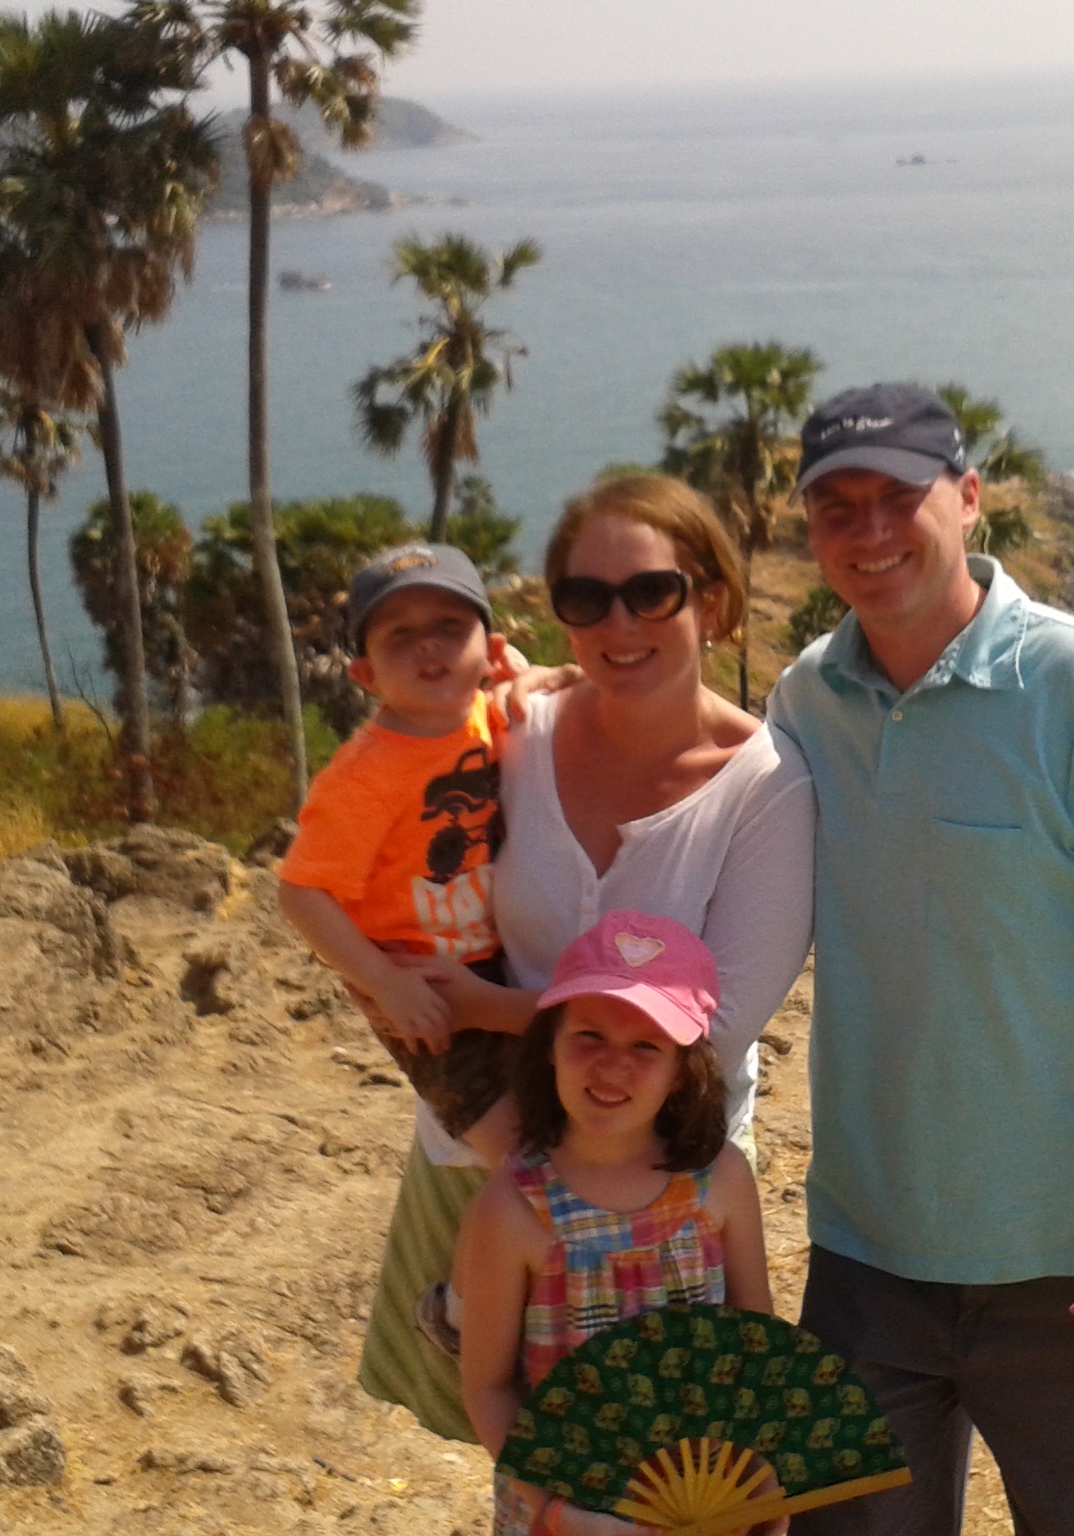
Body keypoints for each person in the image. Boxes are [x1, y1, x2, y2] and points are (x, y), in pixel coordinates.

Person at [766, 384, 1074, 1535]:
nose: (869, 532)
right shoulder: (806, 701)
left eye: (898, 498)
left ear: (968, 498)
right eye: (837, 509)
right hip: (869, 1260)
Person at [356, 474, 816, 1444]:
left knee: (667, 1457)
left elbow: (713, 1028)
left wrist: (486, 1010)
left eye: (651, 592)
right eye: (586, 597)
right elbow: (391, 858)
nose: (620, 623)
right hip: (486, 1150)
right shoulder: (509, 733)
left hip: (663, 1177)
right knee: (523, 1444)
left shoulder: (764, 788)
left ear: (712, 601)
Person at [457, 911, 775, 1536]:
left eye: (646, 1046)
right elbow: (488, 1390)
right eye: (590, 1036)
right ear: (550, 1044)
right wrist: (557, 1511)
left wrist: (763, 1474)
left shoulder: (722, 1181)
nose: (612, 1065)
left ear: (683, 1069)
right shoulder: (511, 1210)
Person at [279, 541, 522, 1156]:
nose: (428, 646)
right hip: (421, 987)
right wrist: (384, 982)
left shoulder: (489, 717)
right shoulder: (365, 775)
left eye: (449, 626)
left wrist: (530, 677)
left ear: (492, 650)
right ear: (366, 676)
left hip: (506, 959)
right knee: (513, 1150)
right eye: (399, 636)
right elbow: (301, 891)